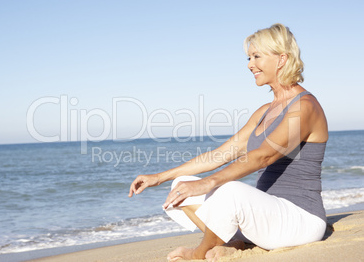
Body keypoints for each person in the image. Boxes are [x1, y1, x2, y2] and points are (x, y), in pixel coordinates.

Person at [128, 23, 328, 261]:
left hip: (300, 219)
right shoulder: (265, 111)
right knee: (182, 185)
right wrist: (159, 177)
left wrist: (209, 183)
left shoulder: (304, 107)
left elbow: (264, 156)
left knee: (229, 189)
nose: (249, 64)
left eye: (256, 56)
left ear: (281, 59)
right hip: (267, 218)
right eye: (248, 57)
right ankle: (238, 242)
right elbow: (221, 154)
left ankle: (197, 253)